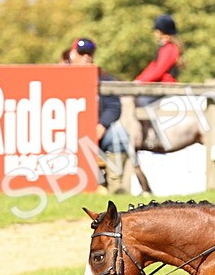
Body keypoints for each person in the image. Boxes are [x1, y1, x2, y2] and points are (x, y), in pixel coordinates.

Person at [70, 36, 129, 194]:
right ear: (73, 54)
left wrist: (102, 124)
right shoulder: (62, 75)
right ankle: (96, 183)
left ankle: (114, 187)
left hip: (97, 131)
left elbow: (114, 106)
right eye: (82, 53)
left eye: (89, 53)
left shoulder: (103, 77)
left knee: (120, 134)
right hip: (70, 133)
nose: (86, 56)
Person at [134, 14, 182, 107]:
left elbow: (158, 70)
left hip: (165, 87)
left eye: (156, 31)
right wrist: (139, 79)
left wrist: (141, 82)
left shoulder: (169, 48)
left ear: (162, 32)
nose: (155, 34)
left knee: (141, 101)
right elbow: (152, 67)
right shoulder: (163, 47)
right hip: (159, 86)